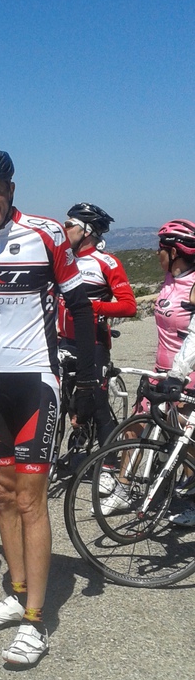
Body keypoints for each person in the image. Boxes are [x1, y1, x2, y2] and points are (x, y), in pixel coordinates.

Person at [0, 147, 98, 666]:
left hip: (36, 382)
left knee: (31, 501)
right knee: (4, 496)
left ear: (11, 189)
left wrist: (87, 379)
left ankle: (35, 621)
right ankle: (16, 590)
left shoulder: (46, 234)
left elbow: (79, 305)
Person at [101, 219, 195, 519]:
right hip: (161, 371)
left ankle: (191, 497)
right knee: (136, 426)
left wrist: (181, 373)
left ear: (175, 252)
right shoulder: (169, 279)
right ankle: (123, 488)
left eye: (161, 248)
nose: (156, 253)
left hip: (188, 376)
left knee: (184, 439)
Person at [58, 203, 137, 449]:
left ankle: (109, 462)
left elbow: (129, 306)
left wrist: (92, 308)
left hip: (93, 343)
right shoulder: (61, 260)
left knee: (98, 406)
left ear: (87, 231)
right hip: (63, 340)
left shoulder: (107, 263)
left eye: (69, 225)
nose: (64, 228)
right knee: (57, 401)